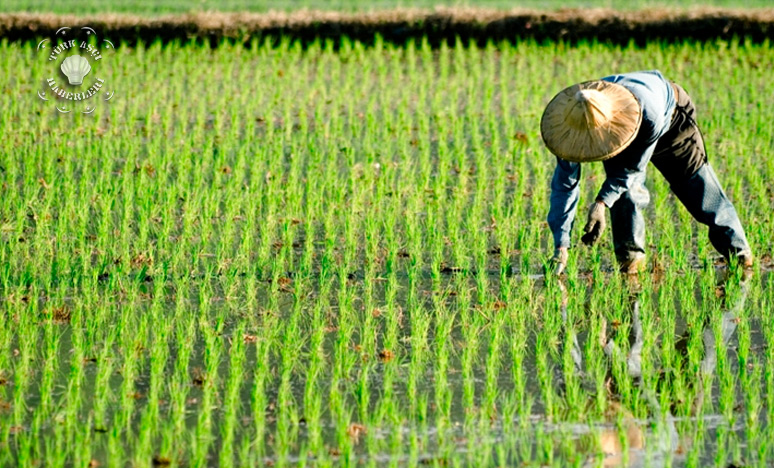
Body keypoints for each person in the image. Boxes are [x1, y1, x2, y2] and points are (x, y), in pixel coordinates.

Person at [541, 70, 753, 274]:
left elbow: (631, 170)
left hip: (670, 119)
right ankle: (630, 264)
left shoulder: (649, 114)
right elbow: (564, 185)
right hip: (618, 125)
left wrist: (601, 203)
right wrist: (561, 245)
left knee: (695, 186)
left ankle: (739, 254)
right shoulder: (569, 130)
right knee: (625, 196)